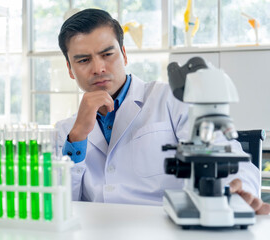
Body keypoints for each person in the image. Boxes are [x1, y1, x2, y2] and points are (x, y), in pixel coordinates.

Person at [56, 8, 270, 214]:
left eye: (107, 54)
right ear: (70, 70)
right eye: (83, 60)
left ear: (124, 54)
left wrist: (238, 192)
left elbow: (226, 156)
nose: (98, 68)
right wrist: (78, 137)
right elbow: (60, 204)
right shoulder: (66, 131)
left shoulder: (171, 99)